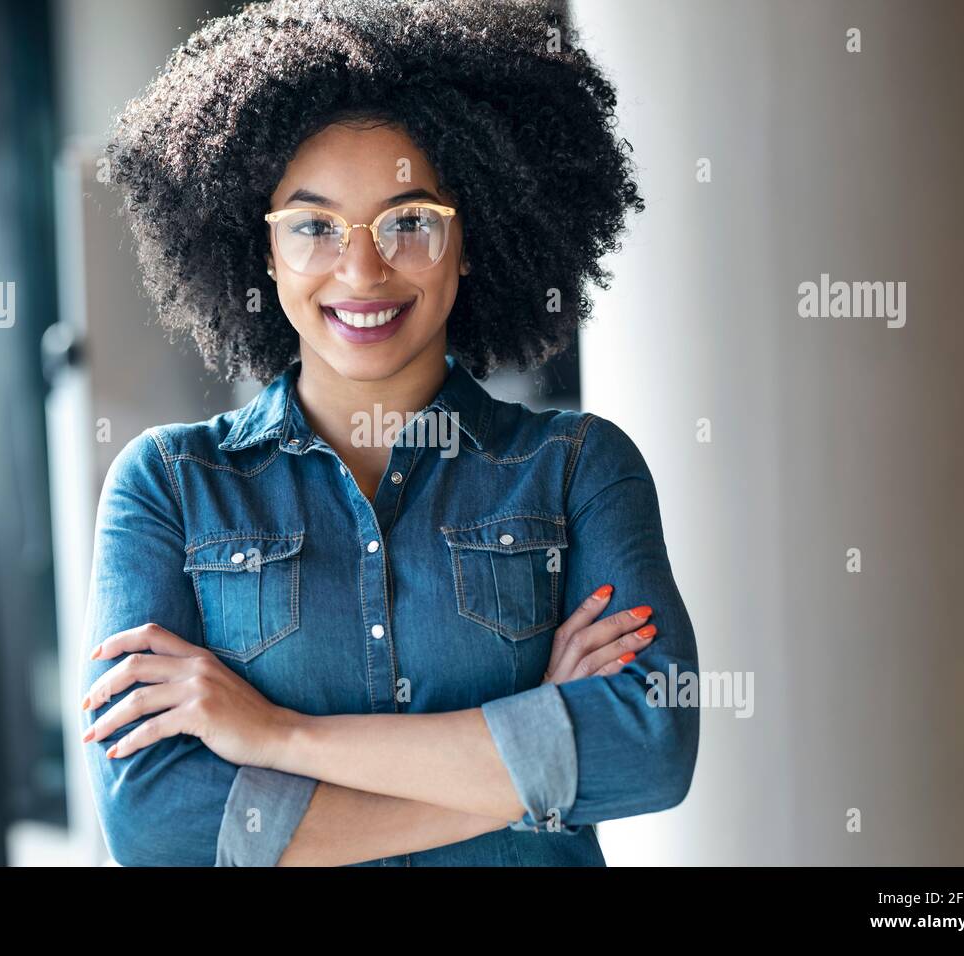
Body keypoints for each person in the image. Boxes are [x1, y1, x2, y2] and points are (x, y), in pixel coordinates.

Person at [78, 0, 698, 866]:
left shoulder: (578, 470)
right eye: (312, 226)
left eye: (410, 221)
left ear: (470, 237)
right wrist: (531, 773)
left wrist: (279, 737)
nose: (362, 269)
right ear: (261, 252)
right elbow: (155, 821)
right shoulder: (171, 486)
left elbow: (649, 746)